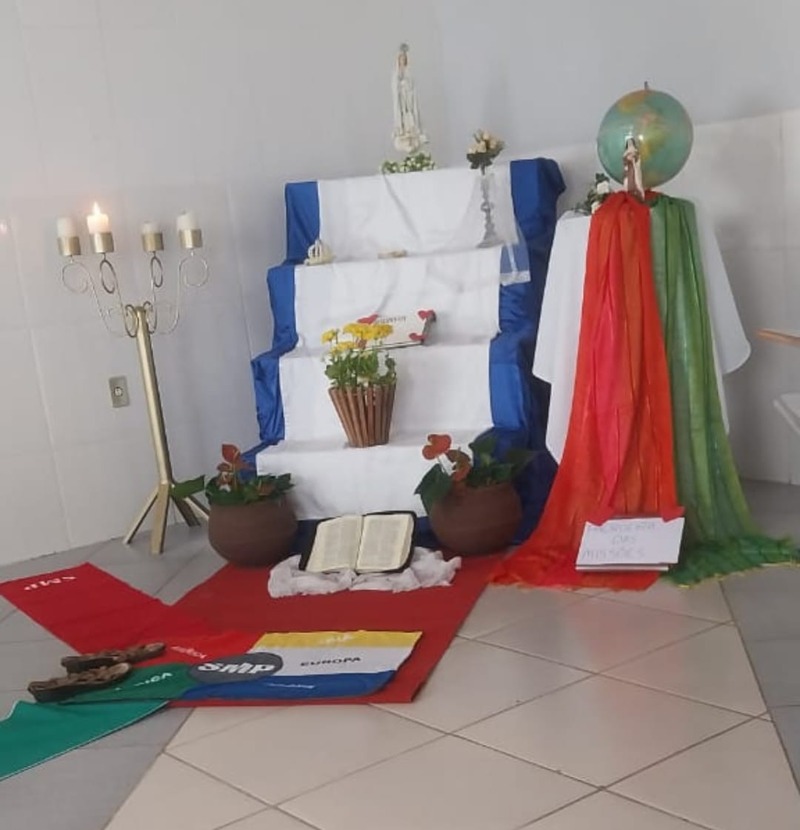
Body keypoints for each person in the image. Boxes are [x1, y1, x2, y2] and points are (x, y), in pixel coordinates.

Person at [392, 44, 427, 154]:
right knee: (403, 117)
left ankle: (414, 136)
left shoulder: (409, 73)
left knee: (411, 117)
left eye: (404, 59)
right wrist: (401, 85)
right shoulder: (396, 74)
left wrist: (406, 86)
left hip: (409, 100)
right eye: (401, 59)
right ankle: (404, 134)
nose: (402, 61)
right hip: (401, 101)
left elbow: (412, 86)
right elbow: (395, 87)